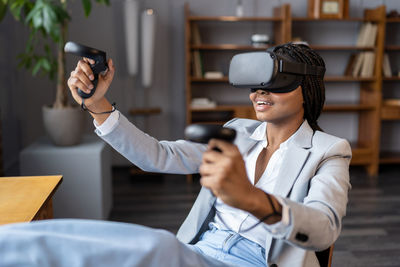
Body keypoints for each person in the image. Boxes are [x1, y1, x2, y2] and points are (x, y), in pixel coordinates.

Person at [0, 43, 351, 267]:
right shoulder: (239, 132)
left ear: (305, 89)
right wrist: (97, 105)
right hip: (199, 253)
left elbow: (324, 229)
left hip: (252, 262)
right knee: (98, 241)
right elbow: (158, 155)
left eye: (274, 83)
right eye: (256, 84)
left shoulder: (328, 151)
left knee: (155, 246)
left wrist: (253, 199)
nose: (259, 92)